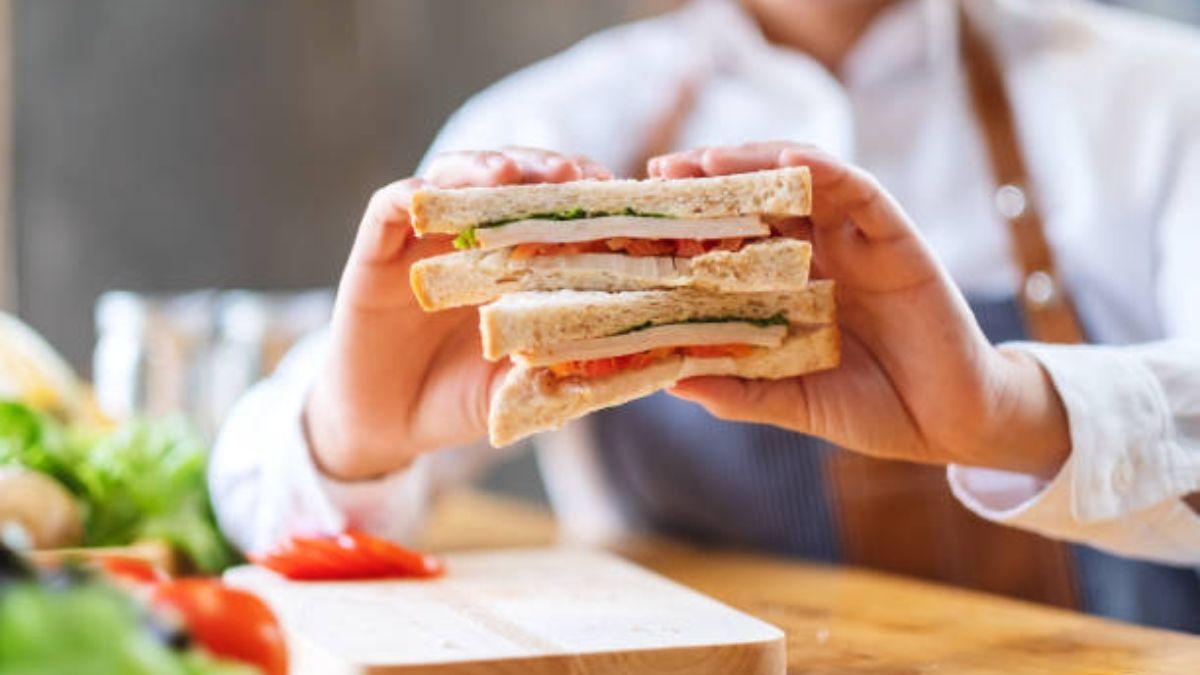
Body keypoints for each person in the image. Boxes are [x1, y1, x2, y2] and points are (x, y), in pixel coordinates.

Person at [209, 0, 1200, 630]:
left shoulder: (1154, 94)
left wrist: (1008, 411)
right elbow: (258, 501)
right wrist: (350, 436)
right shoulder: (554, 121)